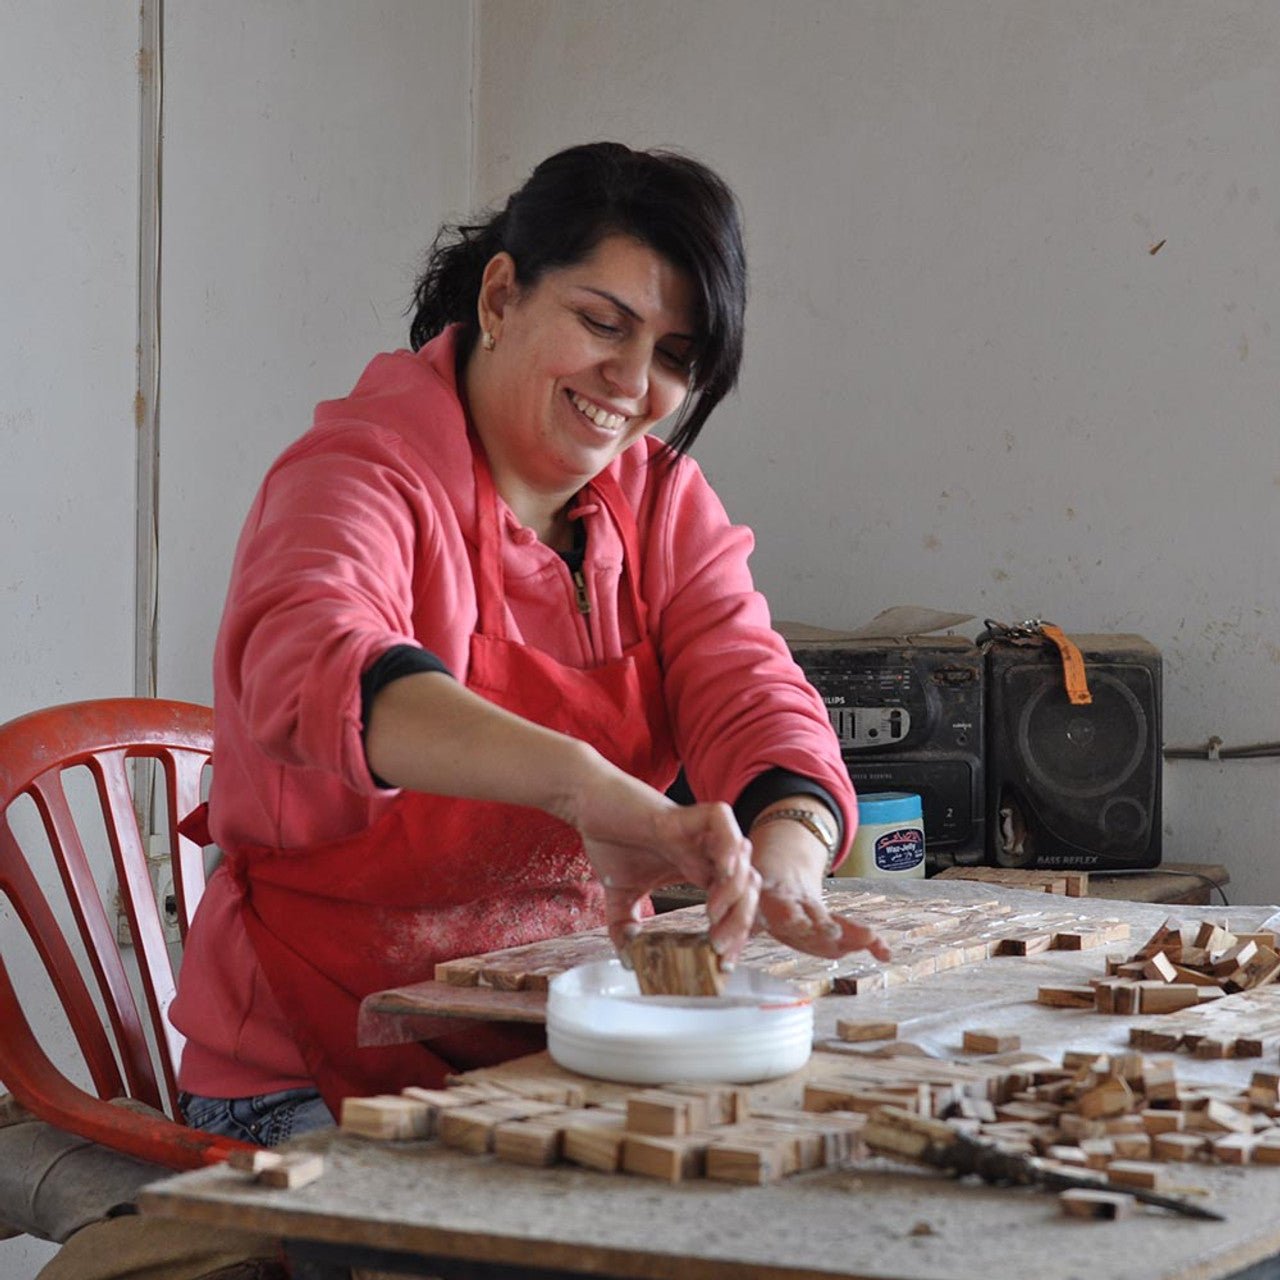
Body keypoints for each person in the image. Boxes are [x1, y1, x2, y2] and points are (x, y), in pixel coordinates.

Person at [169, 141, 890, 1144]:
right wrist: (581, 784)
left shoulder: (660, 505)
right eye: (603, 322)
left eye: (675, 357)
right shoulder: (357, 472)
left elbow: (754, 694)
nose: (632, 382)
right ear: (501, 295)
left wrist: (784, 869)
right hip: (308, 1067)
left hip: (545, 1046)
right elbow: (310, 661)